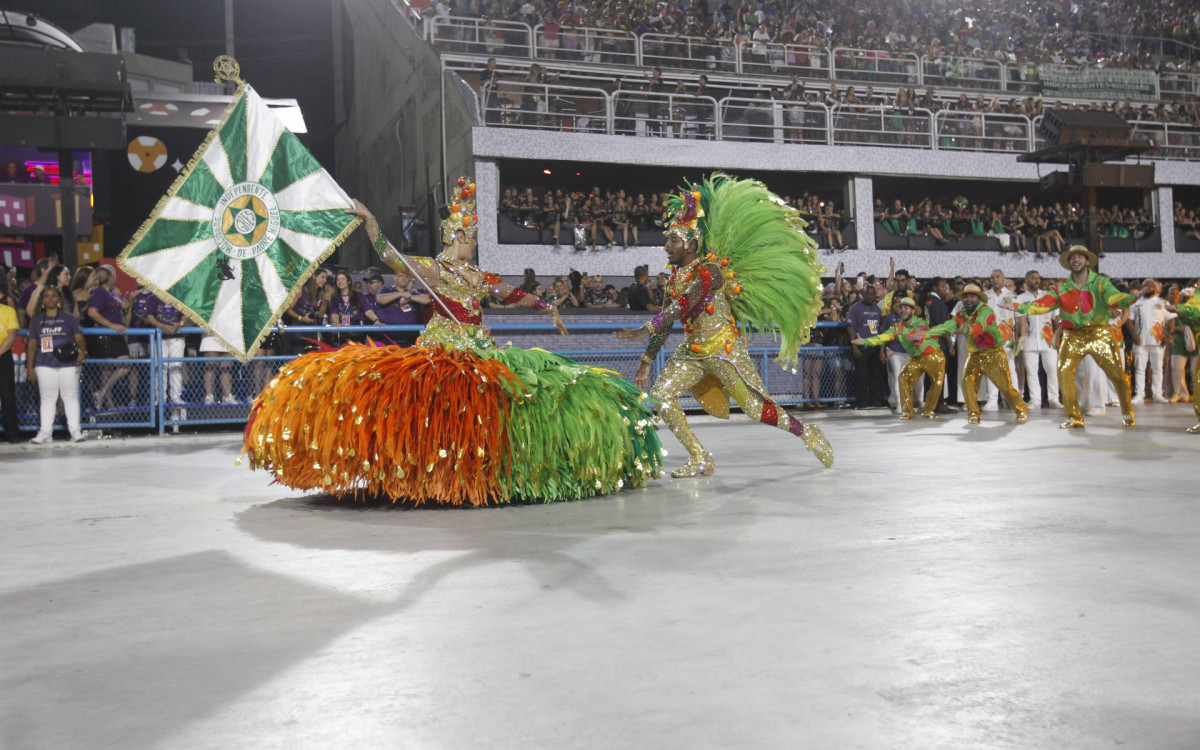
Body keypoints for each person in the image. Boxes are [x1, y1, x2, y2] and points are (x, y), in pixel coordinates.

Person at [244, 176, 662, 506]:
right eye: (472, 236)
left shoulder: (479, 276)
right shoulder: (432, 270)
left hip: (481, 350)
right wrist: (370, 223)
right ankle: (430, 472)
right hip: (444, 351)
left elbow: (511, 295)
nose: (475, 243)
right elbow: (390, 257)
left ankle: (485, 469)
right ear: (456, 235)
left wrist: (547, 308)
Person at [617, 173, 832, 476]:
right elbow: (668, 322)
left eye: (673, 240)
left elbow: (685, 305)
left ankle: (807, 433)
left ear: (691, 245)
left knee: (756, 410)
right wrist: (646, 359)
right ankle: (700, 456)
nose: (667, 246)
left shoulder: (710, 273)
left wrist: (645, 328)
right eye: (669, 240)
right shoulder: (674, 280)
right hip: (693, 351)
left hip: (723, 350)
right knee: (662, 396)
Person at [1005, 245, 1136, 428]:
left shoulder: (1099, 282)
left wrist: (1129, 298)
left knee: (1116, 374)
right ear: (1069, 263)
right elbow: (1044, 304)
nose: (1075, 260)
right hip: (1073, 335)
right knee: (1064, 372)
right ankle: (1074, 417)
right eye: (1072, 258)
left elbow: (1113, 297)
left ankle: (1127, 412)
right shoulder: (1062, 287)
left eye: (1079, 257)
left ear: (1087, 261)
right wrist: (1019, 308)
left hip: (1099, 333)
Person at [918, 283, 1028, 425]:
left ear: (979, 299)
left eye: (972, 296)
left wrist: (966, 329)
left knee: (1005, 387)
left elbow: (980, 326)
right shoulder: (961, 316)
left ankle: (1021, 409)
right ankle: (974, 414)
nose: (968, 299)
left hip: (993, 355)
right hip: (975, 355)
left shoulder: (986, 312)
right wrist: (923, 335)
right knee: (967, 383)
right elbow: (945, 327)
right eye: (965, 296)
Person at [852, 295, 945, 419]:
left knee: (937, 383)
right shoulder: (897, 327)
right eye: (901, 307)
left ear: (913, 311)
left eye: (906, 307)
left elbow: (920, 333)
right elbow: (883, 337)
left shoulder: (920, 322)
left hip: (933, 356)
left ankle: (927, 408)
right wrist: (865, 341)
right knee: (903, 378)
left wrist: (906, 332)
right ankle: (907, 411)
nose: (902, 310)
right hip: (917, 358)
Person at [26, 286, 87, 443]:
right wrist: (29, 366)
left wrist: (82, 351)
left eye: (54, 296)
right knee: (47, 397)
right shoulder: (36, 320)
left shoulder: (70, 318)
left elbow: (79, 338)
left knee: (70, 396)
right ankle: (45, 432)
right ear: (43, 300)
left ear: (59, 299)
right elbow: (32, 345)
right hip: (44, 363)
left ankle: (75, 431)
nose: (50, 299)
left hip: (68, 363)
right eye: (47, 296)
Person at [86, 265, 134, 410]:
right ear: (108, 278)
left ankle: (104, 397)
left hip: (116, 335)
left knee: (112, 368)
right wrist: (111, 325)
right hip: (106, 335)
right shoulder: (99, 292)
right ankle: (103, 397)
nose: (115, 279)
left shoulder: (112, 294)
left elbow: (122, 317)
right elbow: (92, 312)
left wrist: (126, 308)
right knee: (121, 365)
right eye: (113, 276)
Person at [1016, 270, 1061, 409]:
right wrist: (1021, 339)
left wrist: (1059, 333)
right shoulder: (1021, 298)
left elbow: (1056, 318)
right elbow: (1020, 320)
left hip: (1048, 339)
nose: (1036, 280)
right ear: (1026, 280)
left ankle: (1054, 399)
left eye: (1038, 278)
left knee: (1052, 369)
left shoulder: (1048, 296)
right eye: (1033, 278)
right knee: (1031, 370)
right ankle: (1035, 399)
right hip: (1029, 339)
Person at [143, 292, 187, 421]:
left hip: (177, 337)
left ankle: (176, 396)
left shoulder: (178, 295)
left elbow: (186, 314)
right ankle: (160, 397)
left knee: (176, 366)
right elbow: (149, 317)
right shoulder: (152, 297)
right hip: (160, 337)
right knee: (160, 367)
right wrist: (162, 326)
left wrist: (180, 324)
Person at [1128, 278, 1173, 404]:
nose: (1148, 287)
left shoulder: (1162, 302)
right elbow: (1129, 320)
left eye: (1150, 285)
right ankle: (1139, 395)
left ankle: (1157, 394)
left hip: (1158, 340)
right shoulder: (1135, 303)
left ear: (1156, 288)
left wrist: (1168, 334)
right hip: (1140, 340)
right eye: (1145, 285)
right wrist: (1133, 335)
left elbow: (1170, 318)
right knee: (1139, 369)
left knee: (1158, 368)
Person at [847, 283, 887, 408]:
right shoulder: (855, 308)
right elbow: (850, 328)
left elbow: (881, 330)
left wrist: (881, 349)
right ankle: (862, 401)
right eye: (868, 294)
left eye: (873, 295)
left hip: (875, 346)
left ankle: (875, 399)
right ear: (863, 294)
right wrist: (854, 347)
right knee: (861, 375)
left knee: (876, 374)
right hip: (861, 346)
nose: (871, 297)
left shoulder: (877, 309)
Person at [1166, 288, 1200, 432]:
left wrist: (1178, 308)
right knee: (1194, 375)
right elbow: (1195, 306)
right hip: (1183, 343)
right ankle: (1178, 393)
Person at [0, 292, 19, 442]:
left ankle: (12, 433)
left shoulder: (8, 311)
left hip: (3, 356)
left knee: (7, 395)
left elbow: (12, 335)